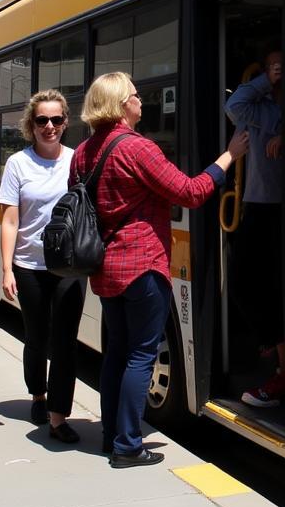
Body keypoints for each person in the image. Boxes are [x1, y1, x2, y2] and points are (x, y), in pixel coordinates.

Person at [72, 72, 247, 468]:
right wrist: (229, 155)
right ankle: (129, 444)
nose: (141, 101)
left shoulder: (83, 152)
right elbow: (190, 191)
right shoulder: (138, 149)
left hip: (106, 269)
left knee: (115, 353)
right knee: (141, 355)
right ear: (121, 105)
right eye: (135, 95)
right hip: (142, 266)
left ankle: (111, 436)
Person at [0, 89, 85, 443]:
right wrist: (6, 269)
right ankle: (38, 393)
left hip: (69, 266)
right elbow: (9, 220)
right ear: (31, 125)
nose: (49, 126)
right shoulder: (18, 163)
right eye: (42, 120)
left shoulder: (77, 160)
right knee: (37, 338)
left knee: (65, 342)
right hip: (29, 264)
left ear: (66, 122)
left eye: (56, 119)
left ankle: (58, 417)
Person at [225, 49, 285, 408]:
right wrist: (266, 80)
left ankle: (280, 373)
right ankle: (268, 341)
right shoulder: (260, 107)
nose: (276, 71)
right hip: (258, 204)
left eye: (281, 65)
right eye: (270, 65)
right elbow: (233, 107)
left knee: (277, 290)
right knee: (241, 281)